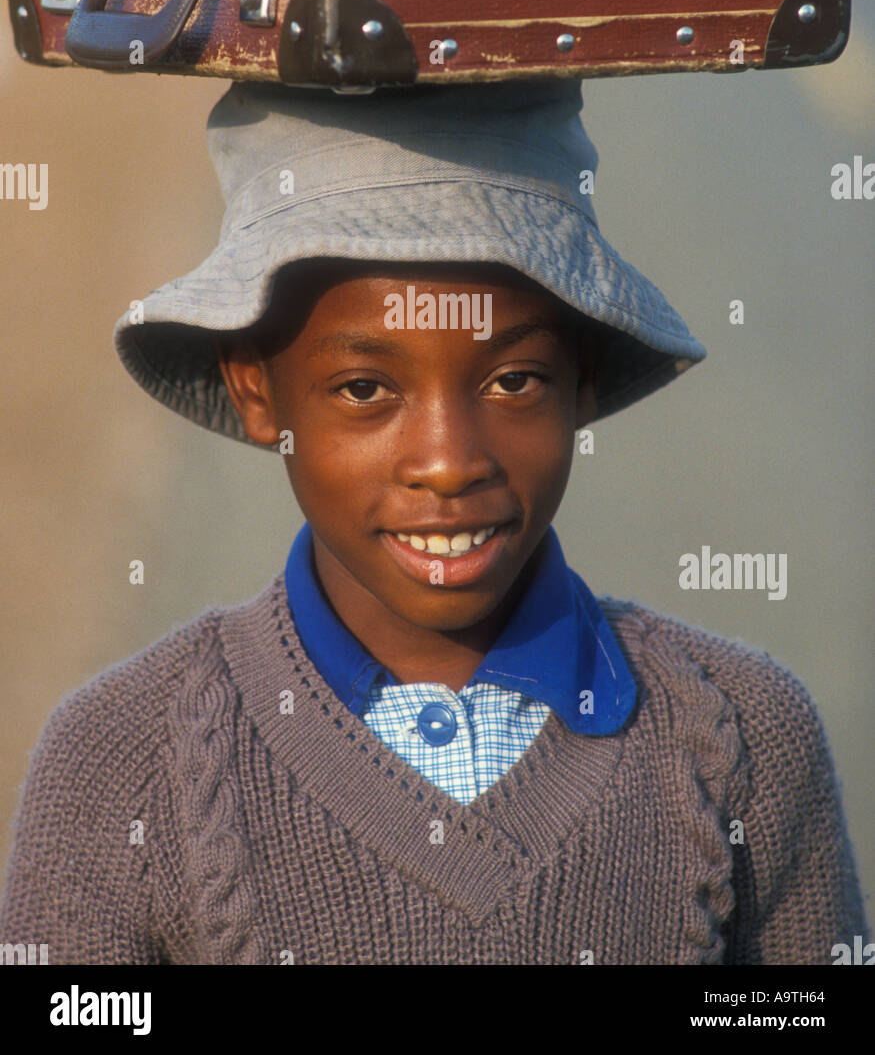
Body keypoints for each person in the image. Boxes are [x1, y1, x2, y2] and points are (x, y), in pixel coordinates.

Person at [0, 78, 866, 964]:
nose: (448, 462)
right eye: (365, 390)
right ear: (255, 386)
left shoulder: (742, 739)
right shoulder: (116, 762)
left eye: (513, 379)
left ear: (586, 377)